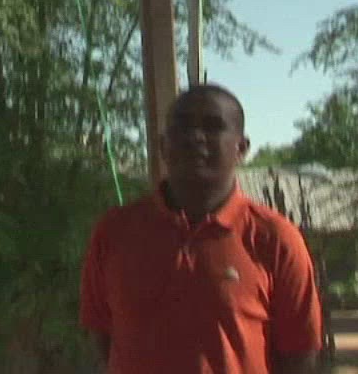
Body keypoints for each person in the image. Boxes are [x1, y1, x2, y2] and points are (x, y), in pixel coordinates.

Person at [79, 83, 324, 373]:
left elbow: (299, 354)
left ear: (242, 148)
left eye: (213, 126)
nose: (195, 137)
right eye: (182, 127)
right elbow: (103, 336)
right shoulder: (115, 232)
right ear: (163, 146)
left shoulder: (276, 239)